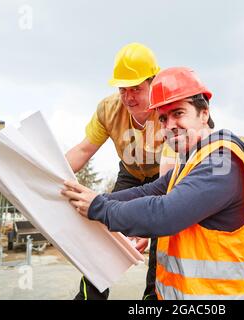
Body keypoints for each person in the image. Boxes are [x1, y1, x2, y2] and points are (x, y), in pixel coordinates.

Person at [62, 67, 244, 300]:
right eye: (163, 119)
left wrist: (98, 208)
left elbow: (164, 213)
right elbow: (148, 190)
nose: (169, 125)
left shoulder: (220, 164)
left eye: (178, 113)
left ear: (204, 114)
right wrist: (93, 200)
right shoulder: (192, 162)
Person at [65, 43, 173, 300]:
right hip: (130, 174)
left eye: (136, 88)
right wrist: (49, 175)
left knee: (163, 230)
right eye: (123, 89)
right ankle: (91, 296)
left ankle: (152, 298)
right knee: (104, 225)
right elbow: (83, 151)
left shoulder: (169, 110)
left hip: (163, 176)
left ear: (153, 82)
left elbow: (169, 179)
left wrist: (143, 221)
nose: (129, 97)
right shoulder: (108, 110)